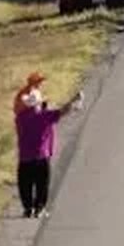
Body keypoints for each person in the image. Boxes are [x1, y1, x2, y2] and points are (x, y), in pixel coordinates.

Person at [15, 87, 83, 219]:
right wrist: (74, 99)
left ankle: (28, 209)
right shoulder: (45, 116)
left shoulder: (20, 118)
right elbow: (63, 111)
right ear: (39, 103)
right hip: (41, 156)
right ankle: (40, 208)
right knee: (42, 184)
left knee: (25, 185)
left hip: (25, 158)